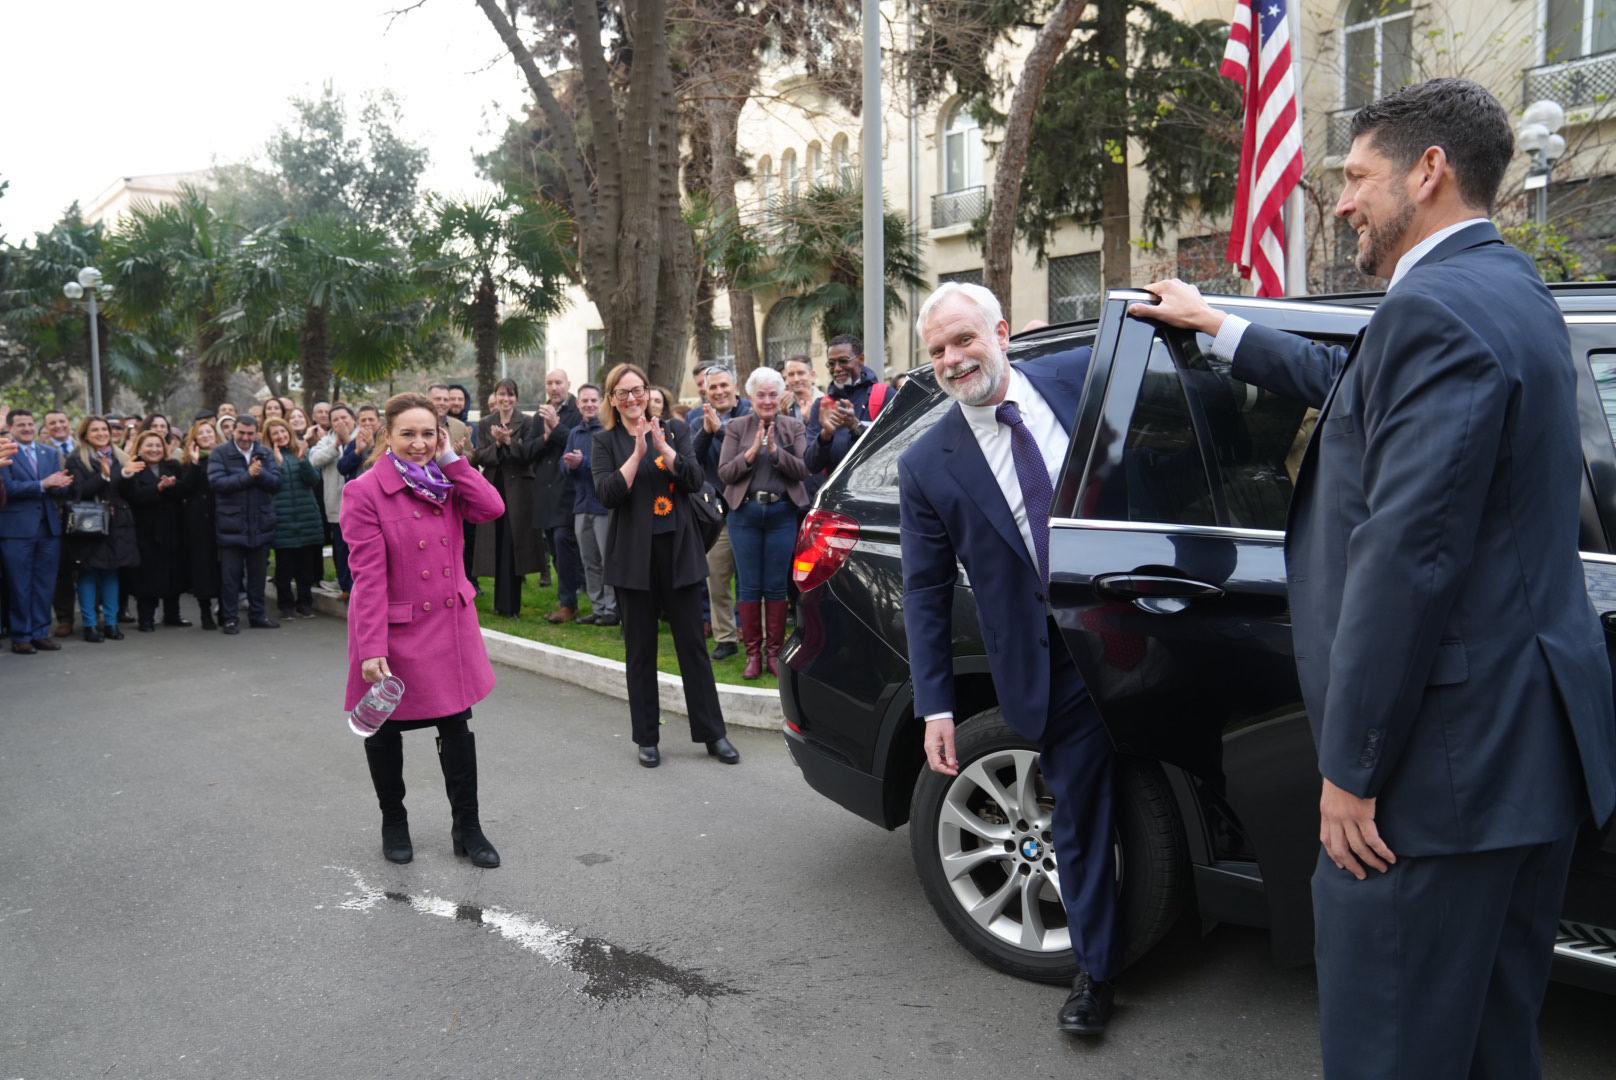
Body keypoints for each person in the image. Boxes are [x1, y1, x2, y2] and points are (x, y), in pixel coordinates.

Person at [1134, 78, 1616, 1079]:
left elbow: (1408, 558)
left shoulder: (1432, 311)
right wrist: (1217, 325)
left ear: (1427, 171)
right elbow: (1357, 392)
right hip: (1524, 765)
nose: (1340, 200)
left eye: (1354, 176)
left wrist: (1349, 770)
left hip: (1430, 781)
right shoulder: (1505, 287)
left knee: (1389, 1053)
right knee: (1490, 1045)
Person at [898, 282, 1117, 1036]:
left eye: (964, 340)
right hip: (1049, 662)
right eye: (938, 352)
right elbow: (923, 591)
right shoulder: (928, 463)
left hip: (1143, 632)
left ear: (1001, 332)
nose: (955, 360)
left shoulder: (1081, 373)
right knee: (1078, 819)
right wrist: (936, 704)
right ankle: (1094, 974)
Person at [342, 392, 506, 868]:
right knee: (384, 729)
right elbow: (367, 577)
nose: (419, 443)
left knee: (456, 726)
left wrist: (453, 460)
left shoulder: (448, 481)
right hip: (392, 630)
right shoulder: (364, 491)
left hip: (448, 626)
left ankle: (468, 828)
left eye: (428, 434)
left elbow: (492, 507)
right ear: (387, 437)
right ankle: (394, 820)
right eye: (408, 434)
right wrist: (371, 647)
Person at [592, 362, 739, 769]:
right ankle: (647, 737)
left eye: (638, 389)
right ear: (613, 400)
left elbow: (694, 479)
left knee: (693, 647)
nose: (633, 398)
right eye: (623, 392)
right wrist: (638, 455)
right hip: (633, 560)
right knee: (640, 651)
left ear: (647, 391)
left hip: (679, 552)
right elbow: (606, 493)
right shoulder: (605, 442)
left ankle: (713, 733)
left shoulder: (672, 430)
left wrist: (665, 449)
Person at [717, 366, 809, 678]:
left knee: (775, 586)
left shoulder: (793, 426)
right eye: (761, 395)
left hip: (782, 514)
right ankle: (753, 655)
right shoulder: (737, 427)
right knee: (749, 586)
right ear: (750, 397)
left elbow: (803, 470)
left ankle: (774, 653)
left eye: (772, 394)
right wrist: (753, 452)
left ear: (781, 396)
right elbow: (725, 473)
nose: (767, 401)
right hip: (745, 515)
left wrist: (774, 450)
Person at [0, 409, 73, 654]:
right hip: (17, 530)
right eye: (21, 425)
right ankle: (21, 635)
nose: (28, 429)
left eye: (31, 424)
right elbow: (8, 489)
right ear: (11, 428)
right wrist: (43, 484)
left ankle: (41, 632)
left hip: (48, 528)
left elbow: (57, 491)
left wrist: (63, 484)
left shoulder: (49, 453)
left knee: (44, 584)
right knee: (20, 585)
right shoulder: (6, 453)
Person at [692, 366, 751, 659]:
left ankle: (754, 636)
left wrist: (722, 431)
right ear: (706, 391)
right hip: (717, 514)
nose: (719, 392)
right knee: (716, 578)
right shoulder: (696, 418)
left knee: (750, 579)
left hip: (750, 509)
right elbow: (690, 459)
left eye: (724, 385)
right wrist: (706, 431)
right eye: (713, 387)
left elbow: (751, 451)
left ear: (735, 385)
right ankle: (725, 637)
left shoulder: (752, 413)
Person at [472, 379, 542, 617]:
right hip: (495, 487)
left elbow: (529, 455)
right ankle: (499, 605)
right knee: (497, 542)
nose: (506, 399)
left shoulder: (528, 421)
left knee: (514, 544)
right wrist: (497, 445)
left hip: (520, 492)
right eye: (502, 394)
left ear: (516, 398)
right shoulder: (485, 423)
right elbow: (479, 455)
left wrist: (509, 442)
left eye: (510, 395)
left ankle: (512, 606)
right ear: (495, 396)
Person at [64, 417, 137, 642]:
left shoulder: (122, 457)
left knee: (112, 573)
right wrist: (103, 475)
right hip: (90, 524)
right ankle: (90, 625)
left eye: (103, 429)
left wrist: (125, 475)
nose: (101, 433)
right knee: (88, 573)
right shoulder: (76, 458)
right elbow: (79, 491)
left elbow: (130, 492)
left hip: (117, 524)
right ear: (85, 434)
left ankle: (112, 623)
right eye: (94, 430)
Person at [209, 414, 281, 634]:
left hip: (260, 524)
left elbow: (277, 483)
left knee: (258, 576)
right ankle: (230, 619)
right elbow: (217, 483)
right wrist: (248, 476)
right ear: (233, 431)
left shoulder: (264, 453)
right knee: (230, 577)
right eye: (241, 432)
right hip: (231, 525)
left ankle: (258, 615)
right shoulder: (220, 453)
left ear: (257, 434)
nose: (245, 437)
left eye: (250, 433)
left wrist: (259, 475)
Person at [526, 369, 584, 624]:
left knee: (563, 541)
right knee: (555, 549)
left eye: (558, 382)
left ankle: (568, 603)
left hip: (568, 491)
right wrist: (546, 436)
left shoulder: (578, 411)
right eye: (549, 383)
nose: (554, 387)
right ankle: (574, 591)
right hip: (544, 491)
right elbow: (528, 451)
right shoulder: (539, 415)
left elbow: (576, 442)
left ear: (568, 384)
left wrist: (557, 427)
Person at [123, 431, 193, 632]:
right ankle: (146, 618)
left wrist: (173, 486)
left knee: (174, 571)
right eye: (149, 445)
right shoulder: (133, 467)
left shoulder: (173, 466)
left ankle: (173, 615)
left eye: (158, 445)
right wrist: (159, 488)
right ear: (139, 448)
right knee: (147, 575)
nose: (154, 449)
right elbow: (133, 495)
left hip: (173, 527)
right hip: (145, 529)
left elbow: (184, 491)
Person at [562, 384, 617, 627]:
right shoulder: (574, 433)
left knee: (608, 559)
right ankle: (598, 607)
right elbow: (562, 467)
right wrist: (569, 465)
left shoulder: (609, 430)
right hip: (581, 505)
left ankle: (613, 608)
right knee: (589, 560)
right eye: (584, 401)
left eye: (593, 400)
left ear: (601, 402)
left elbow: (611, 468)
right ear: (578, 404)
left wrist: (583, 463)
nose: (589, 405)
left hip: (604, 506)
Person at [805, 334, 890, 480]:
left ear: (861, 359)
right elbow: (812, 465)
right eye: (831, 364)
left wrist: (855, 426)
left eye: (843, 361)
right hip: (834, 497)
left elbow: (891, 453)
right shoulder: (821, 405)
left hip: (872, 494)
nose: (837, 368)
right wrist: (825, 435)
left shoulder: (884, 396)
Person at [264, 419, 324, 619]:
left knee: (305, 567)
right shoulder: (267, 457)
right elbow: (271, 486)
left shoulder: (300, 452)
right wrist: (278, 465)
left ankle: (305, 603)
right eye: (275, 433)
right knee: (284, 567)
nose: (280, 436)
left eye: (282, 431)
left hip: (306, 517)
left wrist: (302, 460)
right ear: (269, 438)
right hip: (283, 520)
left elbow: (314, 480)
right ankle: (286, 605)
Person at [309, 404, 358, 599]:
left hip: (361, 502)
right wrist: (335, 445)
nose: (340, 422)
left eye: (344, 417)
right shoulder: (326, 441)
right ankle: (345, 586)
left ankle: (359, 585)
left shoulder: (362, 436)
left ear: (353, 418)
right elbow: (314, 460)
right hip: (336, 502)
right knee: (340, 546)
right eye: (335, 419)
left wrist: (350, 443)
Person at [180, 420, 223, 630]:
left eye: (209, 432)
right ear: (194, 438)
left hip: (223, 517)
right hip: (198, 520)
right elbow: (185, 488)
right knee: (202, 565)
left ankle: (225, 609)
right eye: (201, 433)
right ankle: (205, 612)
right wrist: (196, 465)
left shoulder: (225, 456)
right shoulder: (189, 462)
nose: (206, 435)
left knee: (224, 565)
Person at [42, 409, 78, 636]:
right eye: (52, 423)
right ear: (46, 428)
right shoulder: (44, 451)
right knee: (62, 569)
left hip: (89, 514)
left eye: (61, 421)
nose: (58, 426)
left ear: (69, 423)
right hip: (58, 515)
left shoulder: (85, 447)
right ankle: (65, 617)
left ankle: (99, 615)